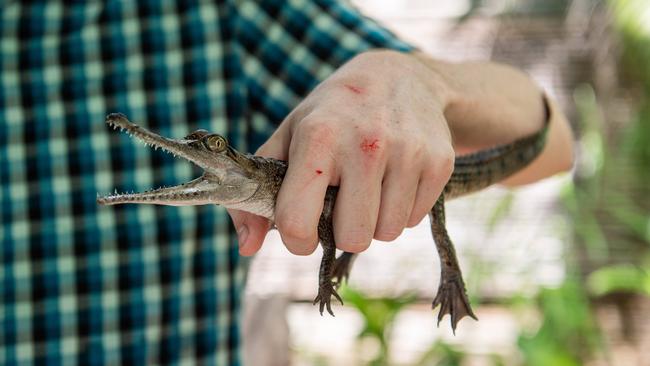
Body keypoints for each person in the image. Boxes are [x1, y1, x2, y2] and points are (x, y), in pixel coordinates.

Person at [0, 1, 573, 364]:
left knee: (429, 216)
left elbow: (556, 145)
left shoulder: (223, 14)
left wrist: (419, 80)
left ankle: (452, 276)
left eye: (215, 149)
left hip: (459, 171)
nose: (199, 156)